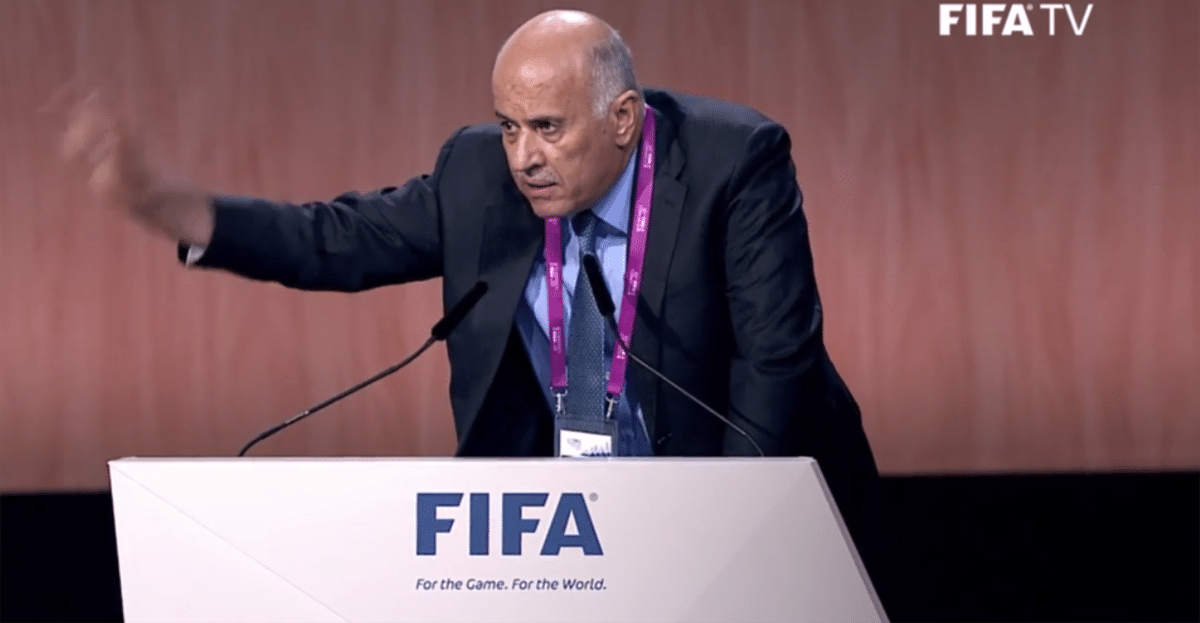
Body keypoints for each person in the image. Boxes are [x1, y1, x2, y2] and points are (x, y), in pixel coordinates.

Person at [64, 8, 885, 584]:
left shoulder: (732, 163)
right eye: (508, 125)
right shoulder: (477, 174)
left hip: (748, 507)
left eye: (548, 128)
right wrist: (177, 209)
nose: (522, 156)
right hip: (565, 539)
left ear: (624, 118)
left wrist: (730, 532)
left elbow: (777, 361)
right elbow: (338, 239)